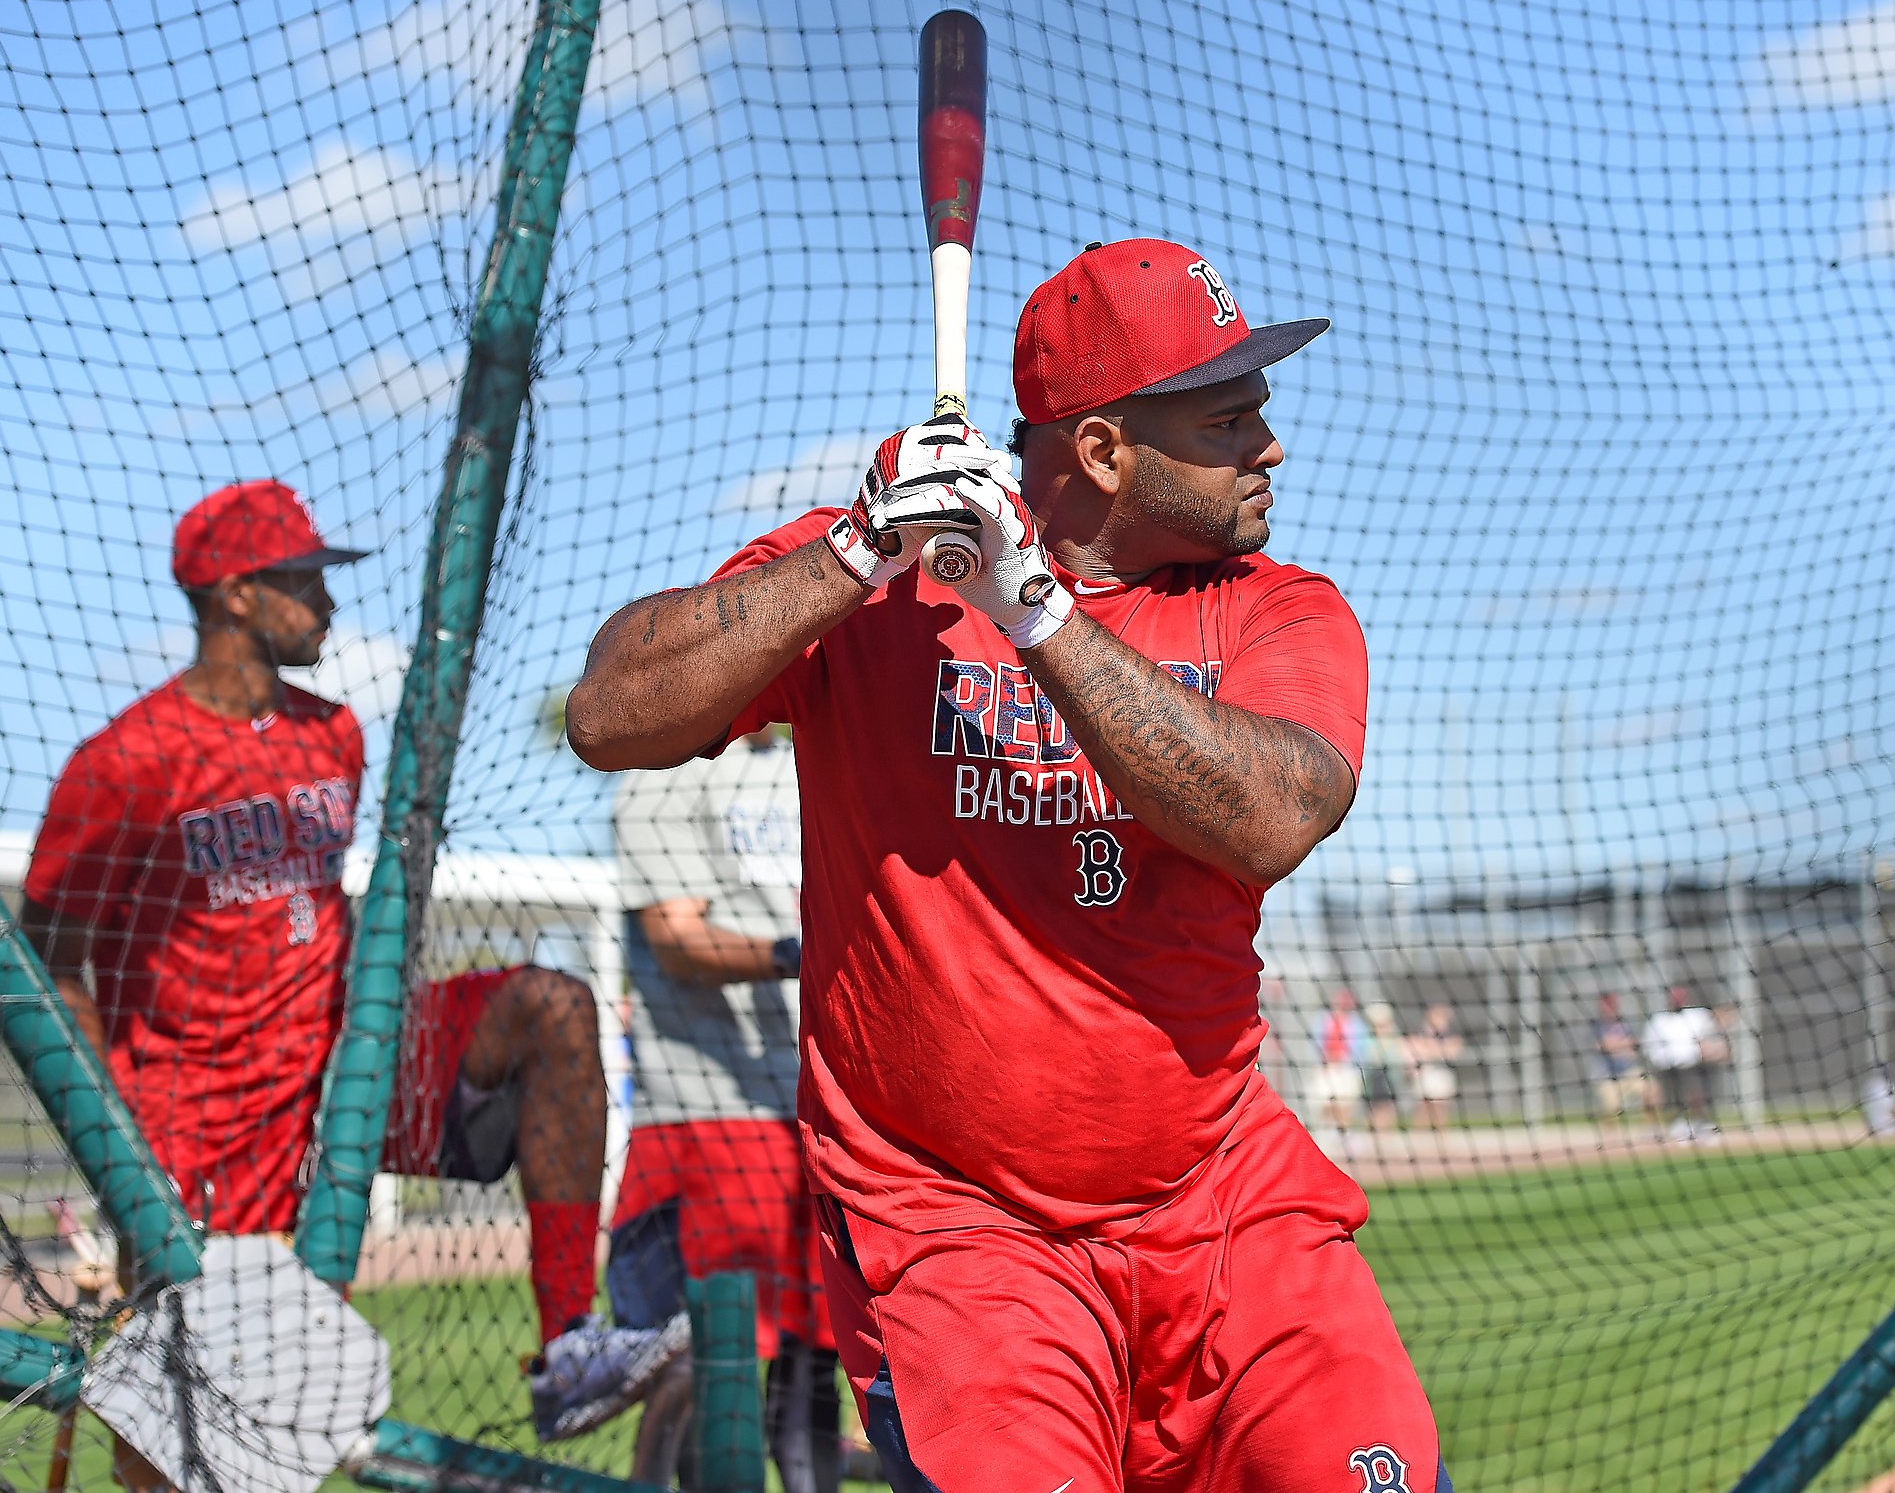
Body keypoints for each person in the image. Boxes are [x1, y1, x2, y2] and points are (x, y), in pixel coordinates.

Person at [567, 239, 1447, 1491]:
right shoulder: (884, 585)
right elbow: (609, 713)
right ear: (1100, 452)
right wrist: (854, 551)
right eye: (1227, 415)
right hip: (957, 1240)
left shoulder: (1277, 605)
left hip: (1220, 1203)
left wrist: (1035, 609)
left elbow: (1269, 815)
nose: (1270, 445)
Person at [15, 479, 643, 1485]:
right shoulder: (126, 761)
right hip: (198, 1125)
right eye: (303, 580)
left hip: (342, 1081)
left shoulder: (333, 735)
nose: (329, 602)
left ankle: (568, 1343)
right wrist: (116, 1136)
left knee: (550, 1007)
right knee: (193, 1438)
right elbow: (47, 951)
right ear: (233, 595)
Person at [605, 724, 842, 1490]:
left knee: (813, 1366)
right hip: (706, 1117)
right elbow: (674, 938)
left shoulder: (808, 765)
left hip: (812, 1114)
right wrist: (795, 953)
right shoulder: (664, 770)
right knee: (703, 1369)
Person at [1642, 985, 1720, 1141]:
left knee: (1696, 1095)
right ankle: (1673, 1126)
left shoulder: (1697, 1016)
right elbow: (1647, 1045)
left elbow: (1714, 1029)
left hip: (1691, 1065)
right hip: (1665, 1067)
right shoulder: (1659, 1020)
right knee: (1666, 1097)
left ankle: (1700, 1124)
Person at [1310, 987, 1369, 1138]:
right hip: (1327, 1066)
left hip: (1346, 1066)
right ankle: (1329, 1131)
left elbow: (1360, 1048)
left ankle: (1344, 1133)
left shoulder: (1356, 1024)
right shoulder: (1325, 1020)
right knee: (1325, 1101)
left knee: (1345, 1101)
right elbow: (1316, 1042)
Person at [1591, 991, 1653, 1129]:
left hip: (1628, 1071)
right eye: (1607, 1005)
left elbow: (1635, 1048)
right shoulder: (1596, 1025)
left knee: (1650, 1087)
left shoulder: (1624, 1024)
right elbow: (1602, 1045)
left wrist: (1616, 1046)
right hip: (1606, 1075)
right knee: (1612, 1106)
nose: (1610, 1008)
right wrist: (1622, 1046)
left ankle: (1650, 1129)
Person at [1408, 1002, 1464, 1129]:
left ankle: (1440, 1140)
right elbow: (1416, 1049)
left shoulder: (1451, 1031)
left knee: (1441, 1107)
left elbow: (1454, 1051)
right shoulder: (1420, 1029)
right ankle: (1419, 1138)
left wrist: (1432, 1050)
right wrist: (1438, 1050)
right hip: (1425, 1072)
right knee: (1423, 1107)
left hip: (1442, 1073)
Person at [1361, 1001, 1410, 1131]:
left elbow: (1400, 1054)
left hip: (1390, 1078)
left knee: (1388, 1109)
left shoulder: (1394, 1035)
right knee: (1374, 1111)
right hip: (1374, 1078)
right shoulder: (1367, 1036)